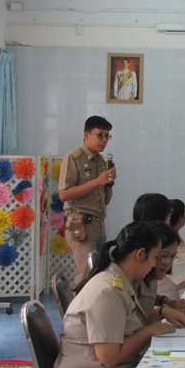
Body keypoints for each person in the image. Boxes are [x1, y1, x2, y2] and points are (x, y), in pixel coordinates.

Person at [54, 222, 185, 368]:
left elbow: (126, 326)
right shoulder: (108, 291)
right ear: (140, 254)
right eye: (155, 257)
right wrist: (148, 331)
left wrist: (159, 313)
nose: (155, 265)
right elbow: (109, 356)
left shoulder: (119, 282)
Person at [58, 115, 117, 290]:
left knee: (99, 272)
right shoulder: (74, 158)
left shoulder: (102, 162)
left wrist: (109, 183)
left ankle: (93, 306)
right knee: (85, 273)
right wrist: (96, 182)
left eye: (107, 136)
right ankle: (78, 307)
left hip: (99, 222)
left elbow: (106, 200)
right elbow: (64, 194)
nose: (104, 140)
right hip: (82, 222)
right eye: (100, 135)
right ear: (87, 135)